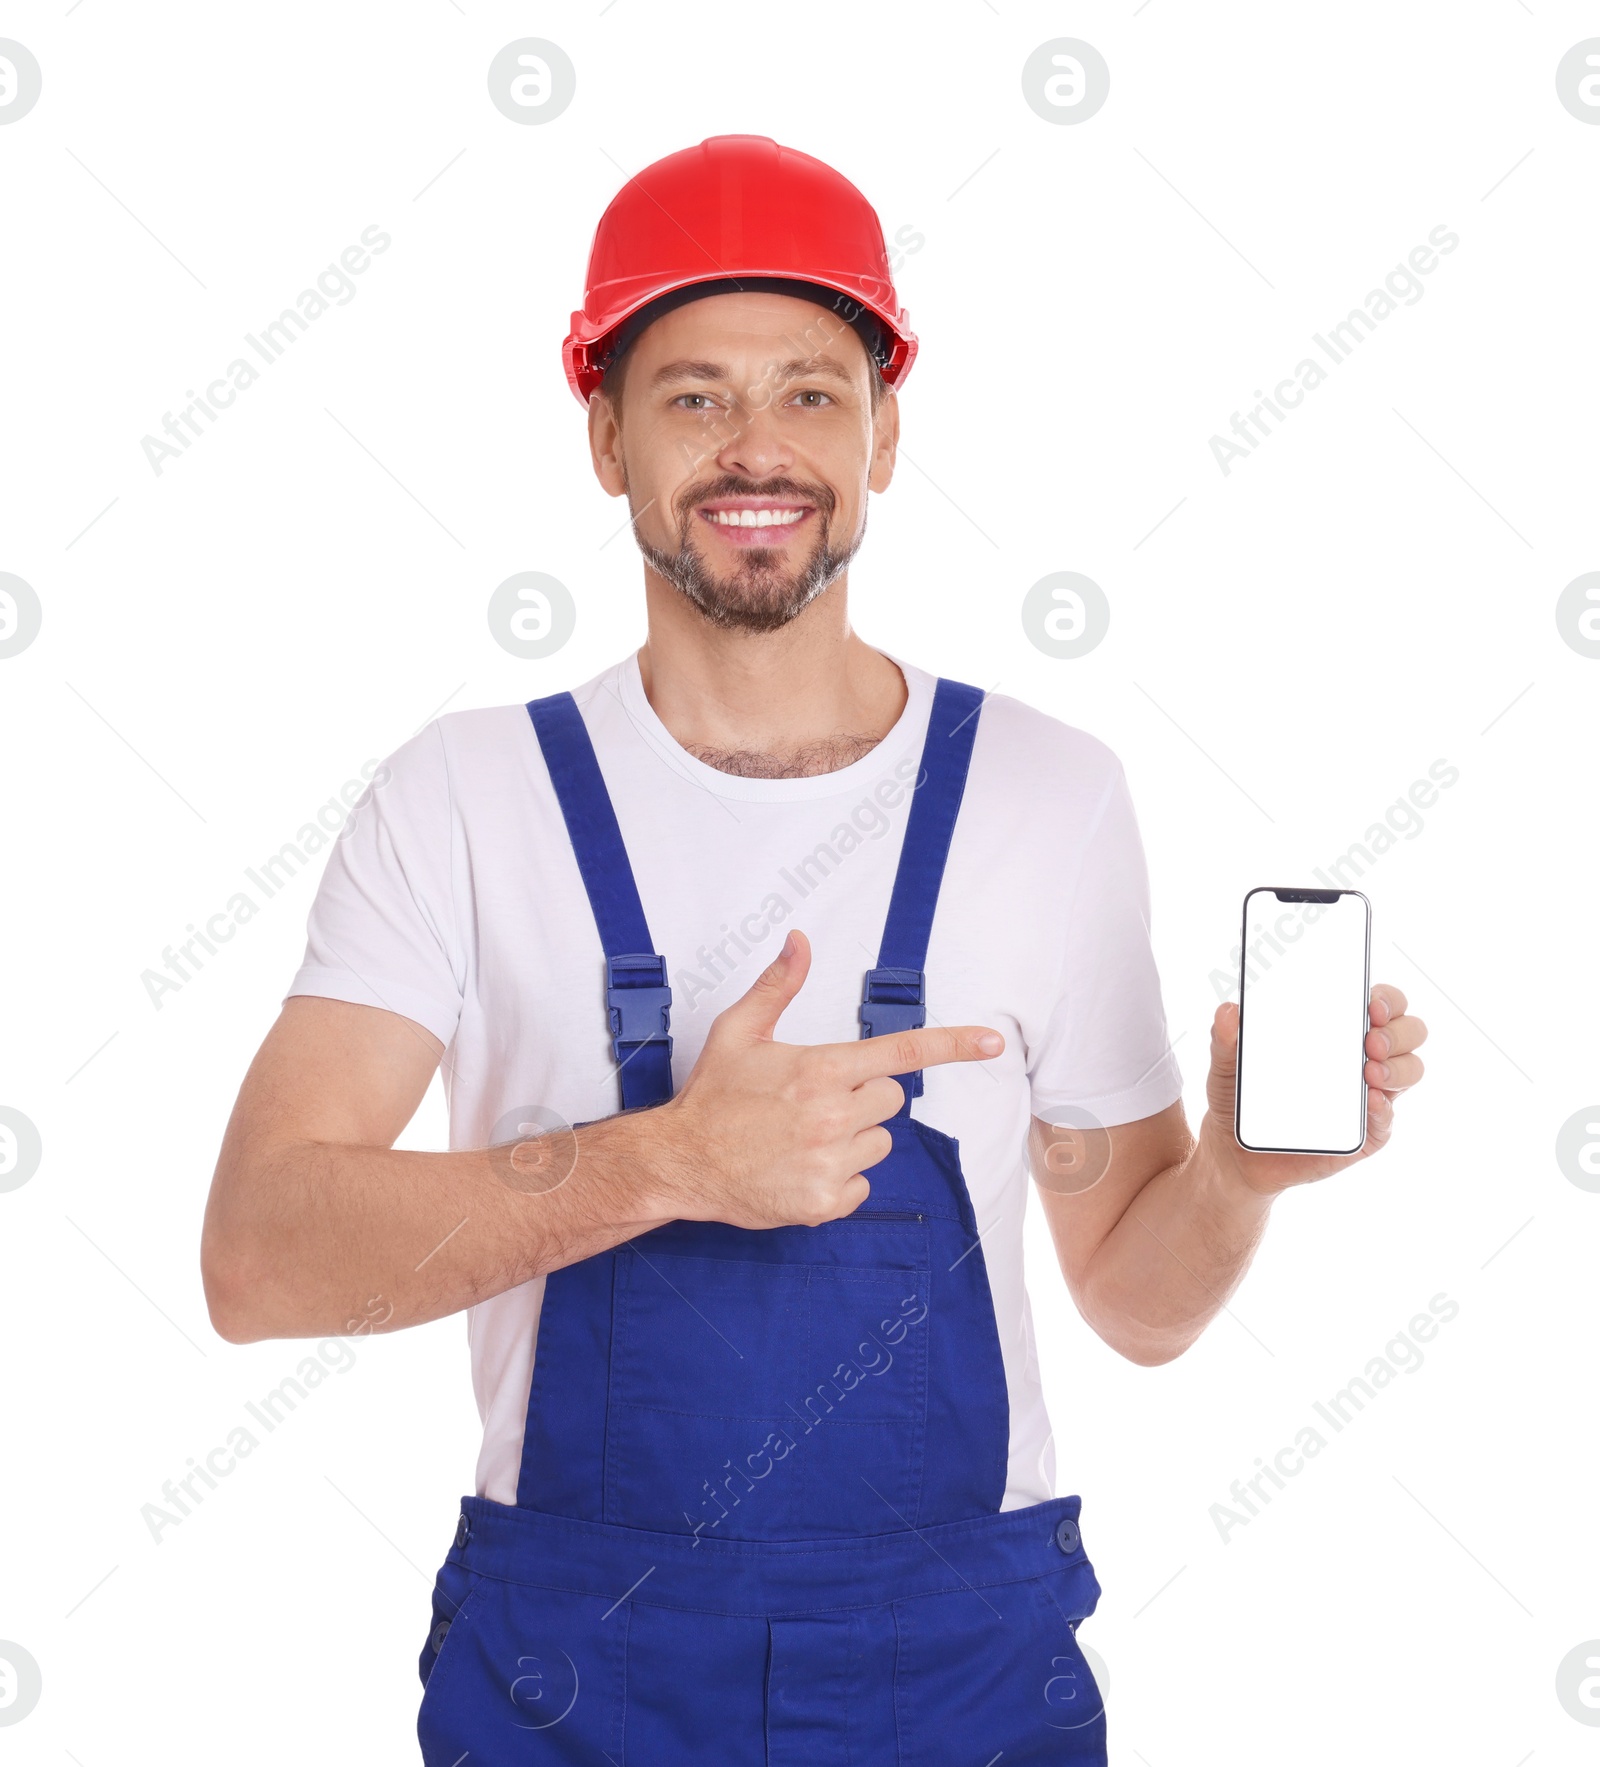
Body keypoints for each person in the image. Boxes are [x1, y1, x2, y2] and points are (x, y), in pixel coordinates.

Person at [200, 134, 1428, 1764]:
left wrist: (1238, 1180)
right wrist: (665, 1164)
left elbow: (1137, 1302)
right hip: (574, 1676)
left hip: (963, 1679)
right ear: (604, 435)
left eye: (809, 392)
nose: (754, 447)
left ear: (886, 433)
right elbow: (256, 1260)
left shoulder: (1047, 796)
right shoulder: (467, 797)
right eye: (694, 395)